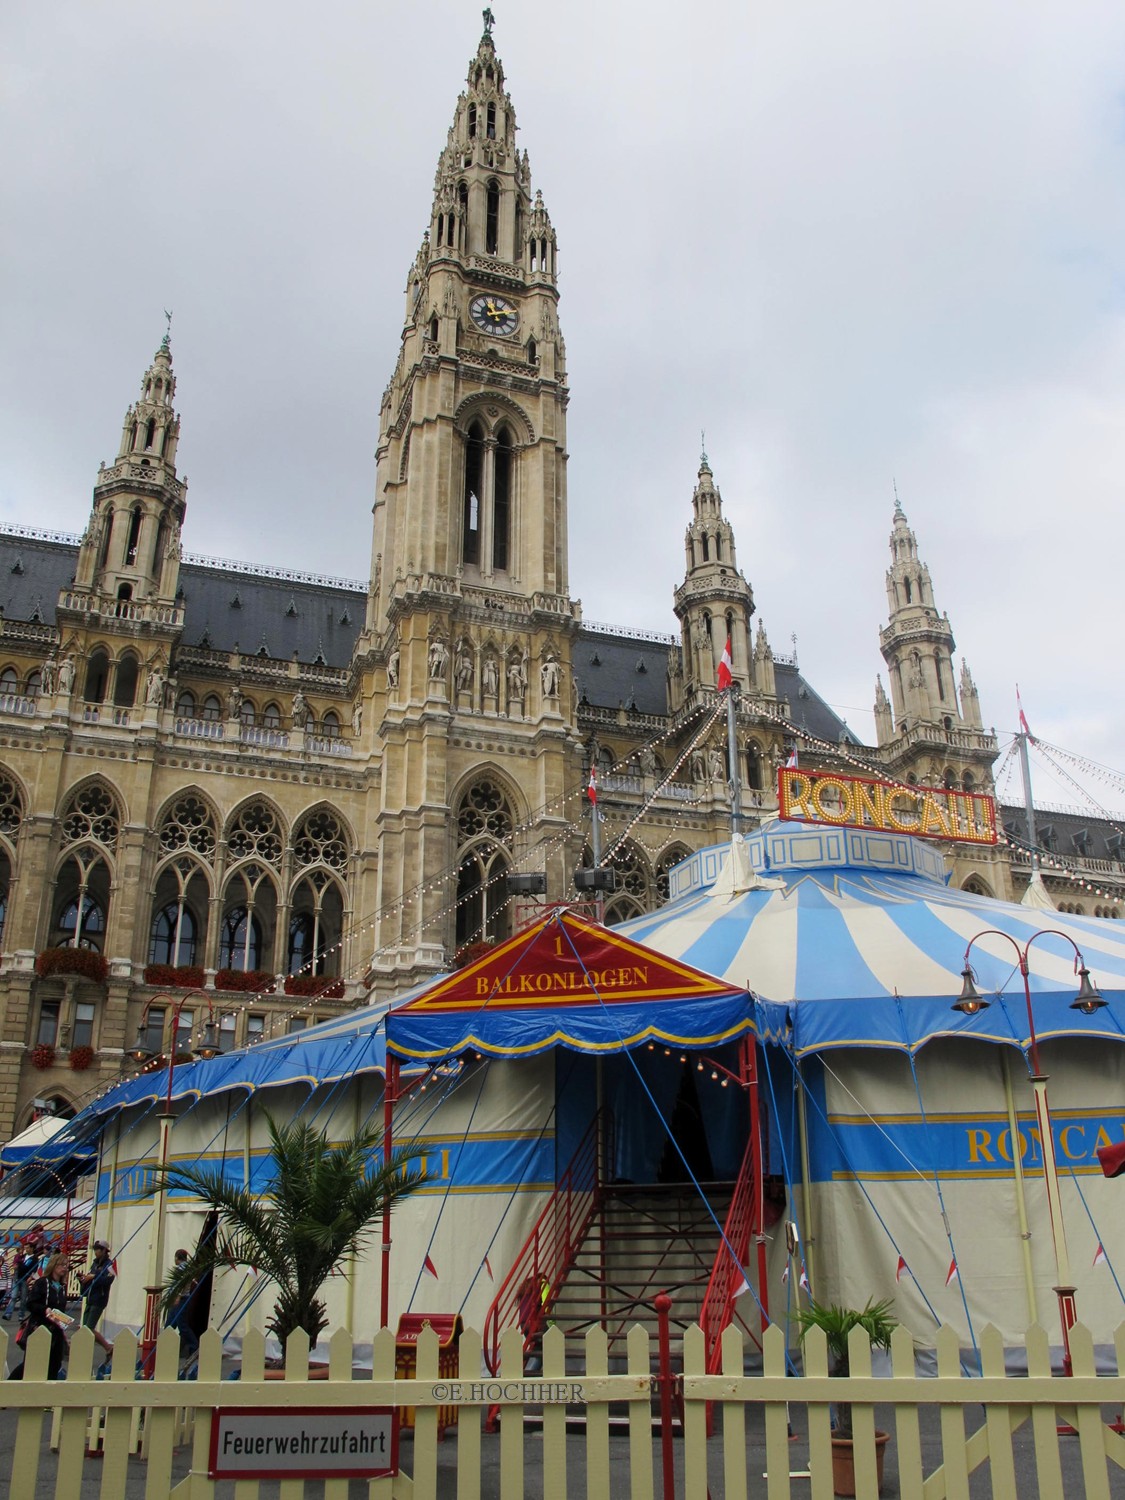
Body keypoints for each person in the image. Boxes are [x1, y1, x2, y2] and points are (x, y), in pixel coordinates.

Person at [10, 1252, 70, 1380]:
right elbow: (30, 1303)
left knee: (54, 1363)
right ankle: (11, 1383)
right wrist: (45, 1310)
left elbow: (61, 1310)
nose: (65, 1268)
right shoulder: (42, 1283)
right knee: (31, 1363)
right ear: (54, 1265)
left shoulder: (62, 1287)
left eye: (67, 1265)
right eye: (62, 1265)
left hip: (56, 1330)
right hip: (40, 1327)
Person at [77, 1239, 115, 1356]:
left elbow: (108, 1279)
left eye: (98, 1249)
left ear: (104, 1250)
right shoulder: (94, 1263)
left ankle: (105, 1347)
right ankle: (108, 1348)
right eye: (95, 1249)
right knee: (85, 1328)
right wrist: (84, 1279)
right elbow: (90, 1277)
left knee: (89, 1327)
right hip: (90, 1297)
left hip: (99, 1299)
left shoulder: (109, 1264)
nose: (95, 1252)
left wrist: (94, 1276)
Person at [166, 1248, 200, 1362]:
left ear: (177, 1258)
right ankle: (171, 1347)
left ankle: (194, 1347)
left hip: (180, 1299)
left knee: (181, 1325)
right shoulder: (188, 1268)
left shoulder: (181, 1268)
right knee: (172, 1324)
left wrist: (177, 1296)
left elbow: (181, 1283)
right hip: (182, 1298)